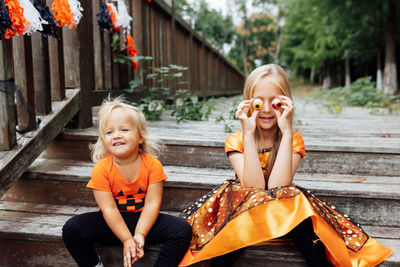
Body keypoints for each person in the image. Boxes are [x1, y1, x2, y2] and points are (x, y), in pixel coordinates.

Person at [178, 64, 393, 267]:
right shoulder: (237, 140)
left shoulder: (293, 139)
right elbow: (254, 188)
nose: (267, 110)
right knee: (231, 231)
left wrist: (287, 131)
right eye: (259, 102)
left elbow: (278, 187)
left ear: (286, 103)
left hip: (280, 214)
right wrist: (249, 134)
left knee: (298, 208)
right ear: (248, 103)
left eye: (275, 102)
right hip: (243, 215)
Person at [62, 97, 192, 267]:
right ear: (104, 141)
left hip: (144, 220)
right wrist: (126, 239)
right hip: (112, 223)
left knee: (182, 230)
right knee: (72, 229)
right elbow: (109, 209)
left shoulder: (152, 165)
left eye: (124, 130)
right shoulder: (101, 169)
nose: (116, 136)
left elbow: (152, 203)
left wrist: (139, 234)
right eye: (109, 132)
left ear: (140, 137)